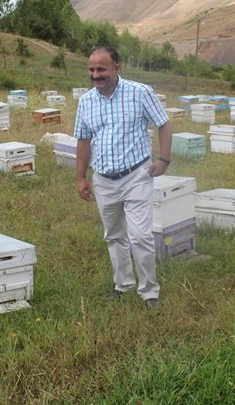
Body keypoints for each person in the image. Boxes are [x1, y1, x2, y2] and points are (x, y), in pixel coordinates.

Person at [74, 46, 172, 310]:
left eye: (101, 69)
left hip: (136, 176)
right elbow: (83, 140)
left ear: (117, 67)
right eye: (92, 70)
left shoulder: (140, 93)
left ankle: (150, 291)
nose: (96, 75)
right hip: (103, 178)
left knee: (140, 235)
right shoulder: (86, 101)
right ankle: (122, 285)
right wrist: (81, 177)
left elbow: (163, 123)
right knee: (114, 235)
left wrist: (163, 159)